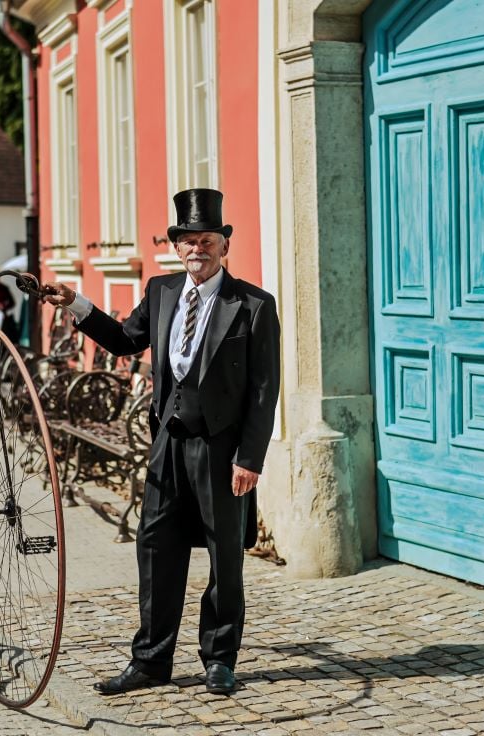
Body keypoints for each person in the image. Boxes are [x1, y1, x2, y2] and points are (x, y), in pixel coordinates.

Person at [42, 188, 281, 696]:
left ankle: (219, 658)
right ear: (177, 247)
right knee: (155, 547)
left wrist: (250, 458)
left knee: (225, 556)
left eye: (208, 240)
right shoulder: (162, 291)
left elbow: (264, 391)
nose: (198, 248)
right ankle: (151, 660)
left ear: (224, 245)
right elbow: (126, 340)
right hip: (167, 444)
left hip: (221, 450)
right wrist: (79, 305)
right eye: (189, 240)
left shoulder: (254, 306)